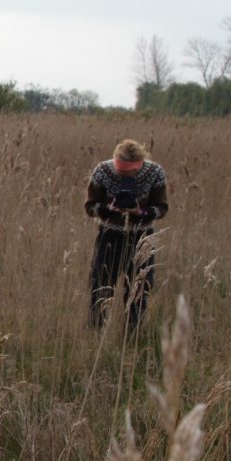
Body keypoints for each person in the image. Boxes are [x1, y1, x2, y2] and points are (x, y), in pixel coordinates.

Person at [85, 137, 168, 329]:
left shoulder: (155, 173)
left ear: (139, 165)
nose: (124, 176)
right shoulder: (102, 171)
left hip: (142, 237)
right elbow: (90, 207)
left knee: (139, 289)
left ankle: (133, 332)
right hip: (109, 236)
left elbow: (162, 208)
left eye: (129, 172)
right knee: (100, 286)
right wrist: (108, 209)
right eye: (120, 171)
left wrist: (142, 212)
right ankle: (96, 330)